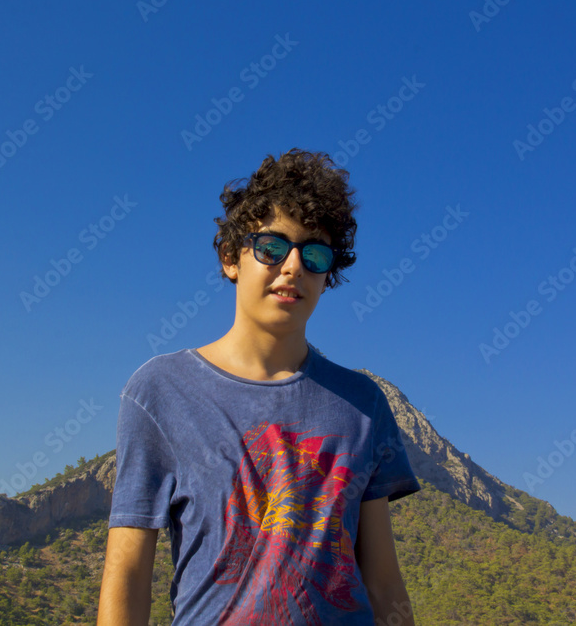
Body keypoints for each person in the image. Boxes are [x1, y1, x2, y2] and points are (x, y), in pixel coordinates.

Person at [98, 149, 420, 625]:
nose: (292, 267)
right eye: (272, 247)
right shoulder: (160, 392)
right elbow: (127, 576)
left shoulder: (364, 406)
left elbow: (383, 580)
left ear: (328, 276)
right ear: (231, 258)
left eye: (314, 254)